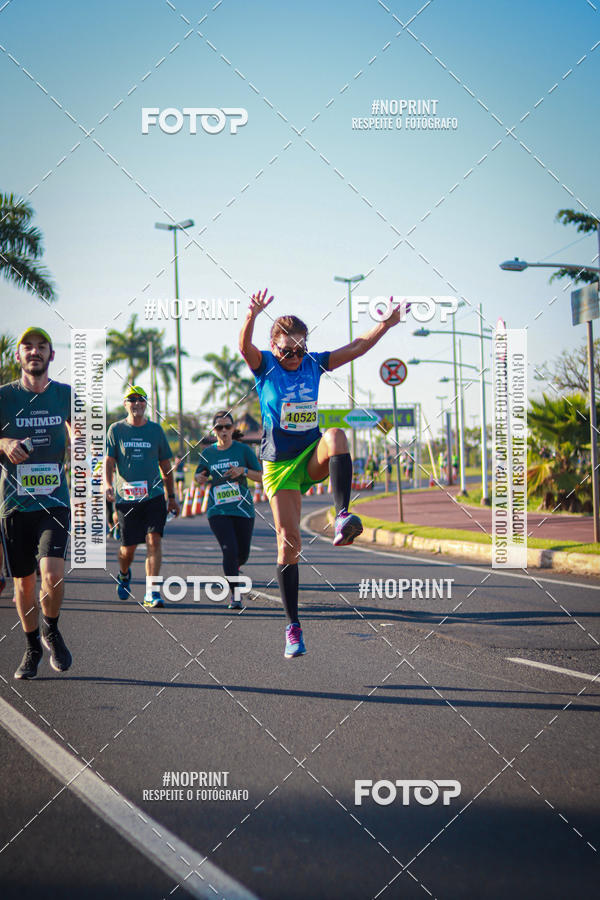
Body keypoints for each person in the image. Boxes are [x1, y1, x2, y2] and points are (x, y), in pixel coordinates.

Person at [239, 288, 410, 659]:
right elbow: (244, 349)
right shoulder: (265, 365)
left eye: (300, 349)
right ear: (274, 345)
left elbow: (356, 347)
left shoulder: (314, 363)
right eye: (287, 350)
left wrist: (385, 325)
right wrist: (252, 315)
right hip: (278, 464)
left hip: (309, 453)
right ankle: (293, 626)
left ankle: (342, 514)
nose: (294, 356)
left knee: (335, 434)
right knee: (289, 540)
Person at [0, 327, 72, 679]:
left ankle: (51, 629)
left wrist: (81, 442)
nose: (35, 352)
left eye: (42, 347)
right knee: (24, 585)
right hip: (15, 506)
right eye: (27, 347)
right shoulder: (4, 397)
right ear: (19, 356)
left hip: (54, 501)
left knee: (53, 573)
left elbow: (84, 432)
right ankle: (31, 648)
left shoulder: (65, 395)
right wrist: (5, 443)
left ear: (51, 356)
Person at [104, 385, 179, 608]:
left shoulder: (156, 431)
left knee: (153, 540)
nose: (137, 403)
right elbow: (109, 461)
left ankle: (152, 592)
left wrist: (172, 496)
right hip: (127, 499)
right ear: (125, 404)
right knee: (128, 549)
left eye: (141, 400)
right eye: (132, 400)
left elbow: (165, 465)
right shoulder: (116, 430)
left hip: (154, 496)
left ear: (146, 404)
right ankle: (124, 573)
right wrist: (108, 484)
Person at [194, 411, 262, 609]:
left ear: (233, 429)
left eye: (227, 427)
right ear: (214, 431)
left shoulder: (243, 450)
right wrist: (200, 478)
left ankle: (236, 565)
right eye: (219, 427)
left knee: (243, 553)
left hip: (243, 509)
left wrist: (244, 471)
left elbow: (261, 477)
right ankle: (235, 595)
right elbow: (199, 476)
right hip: (218, 510)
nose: (223, 431)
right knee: (229, 550)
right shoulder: (208, 453)